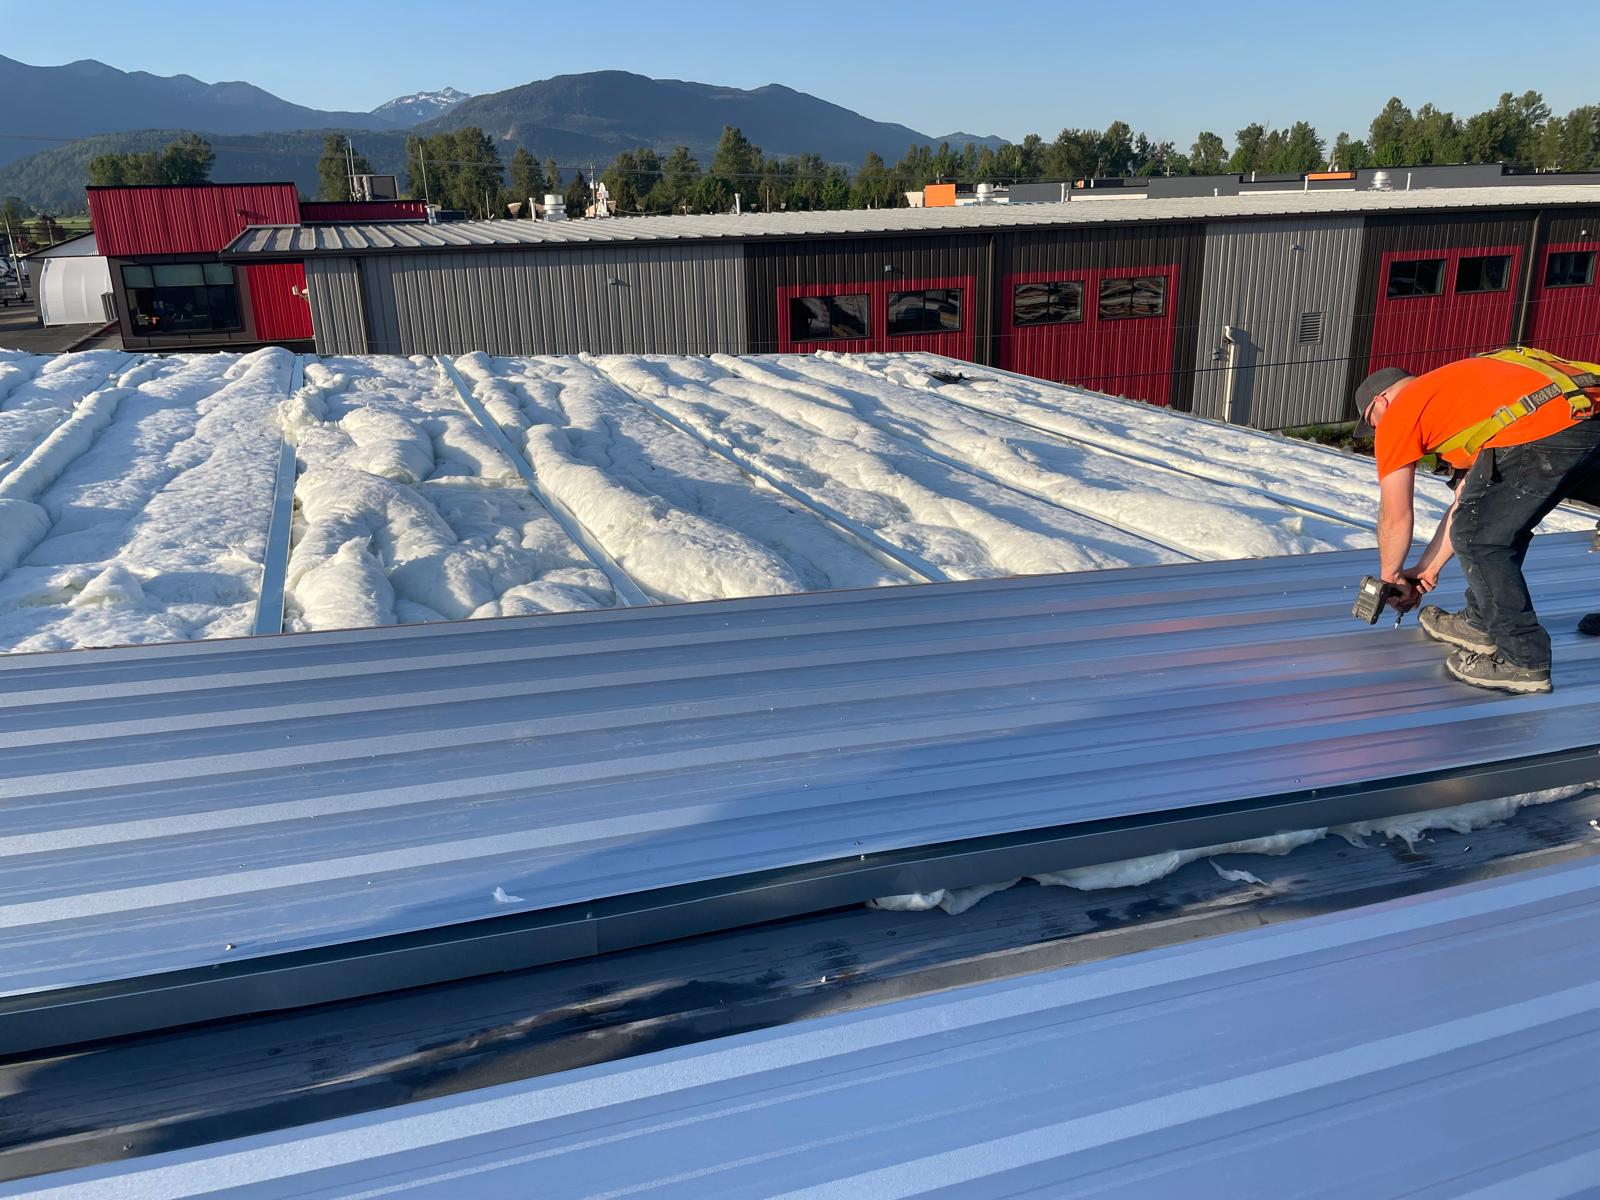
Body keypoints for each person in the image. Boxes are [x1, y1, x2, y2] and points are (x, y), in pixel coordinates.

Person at [1356, 346, 1600, 694]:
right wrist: (1427, 569)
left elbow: (1395, 515)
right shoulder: (1465, 395)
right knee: (1492, 523)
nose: (1377, 432)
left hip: (1547, 428)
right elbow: (1469, 503)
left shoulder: (1401, 412)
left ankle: (1522, 661)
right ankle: (1481, 621)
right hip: (1587, 412)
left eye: (1372, 424)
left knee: (1484, 541)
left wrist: (1389, 575)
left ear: (1381, 403)